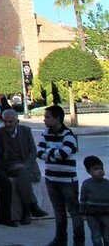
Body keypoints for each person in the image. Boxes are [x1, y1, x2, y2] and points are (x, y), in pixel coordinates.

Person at [38, 104, 85, 246]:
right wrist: (54, 153)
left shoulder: (68, 135)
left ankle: (79, 241)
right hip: (51, 178)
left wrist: (49, 152)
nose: (44, 120)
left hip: (67, 180)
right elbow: (40, 153)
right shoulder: (45, 133)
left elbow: (65, 153)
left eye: (47, 117)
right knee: (59, 212)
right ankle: (60, 239)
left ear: (57, 119)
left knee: (74, 212)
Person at [0, 109, 46, 224]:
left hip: (24, 165)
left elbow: (33, 151)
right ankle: (31, 208)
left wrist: (26, 165)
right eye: (5, 122)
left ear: (17, 122)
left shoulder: (25, 131)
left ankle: (28, 211)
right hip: (8, 165)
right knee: (21, 171)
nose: (7, 125)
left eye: (10, 122)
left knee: (23, 173)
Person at [81, 155, 109, 246]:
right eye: (96, 169)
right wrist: (82, 212)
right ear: (89, 171)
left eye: (101, 168)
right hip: (92, 215)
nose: (100, 171)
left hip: (106, 214)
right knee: (96, 235)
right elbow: (83, 199)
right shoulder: (86, 184)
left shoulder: (107, 184)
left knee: (107, 235)